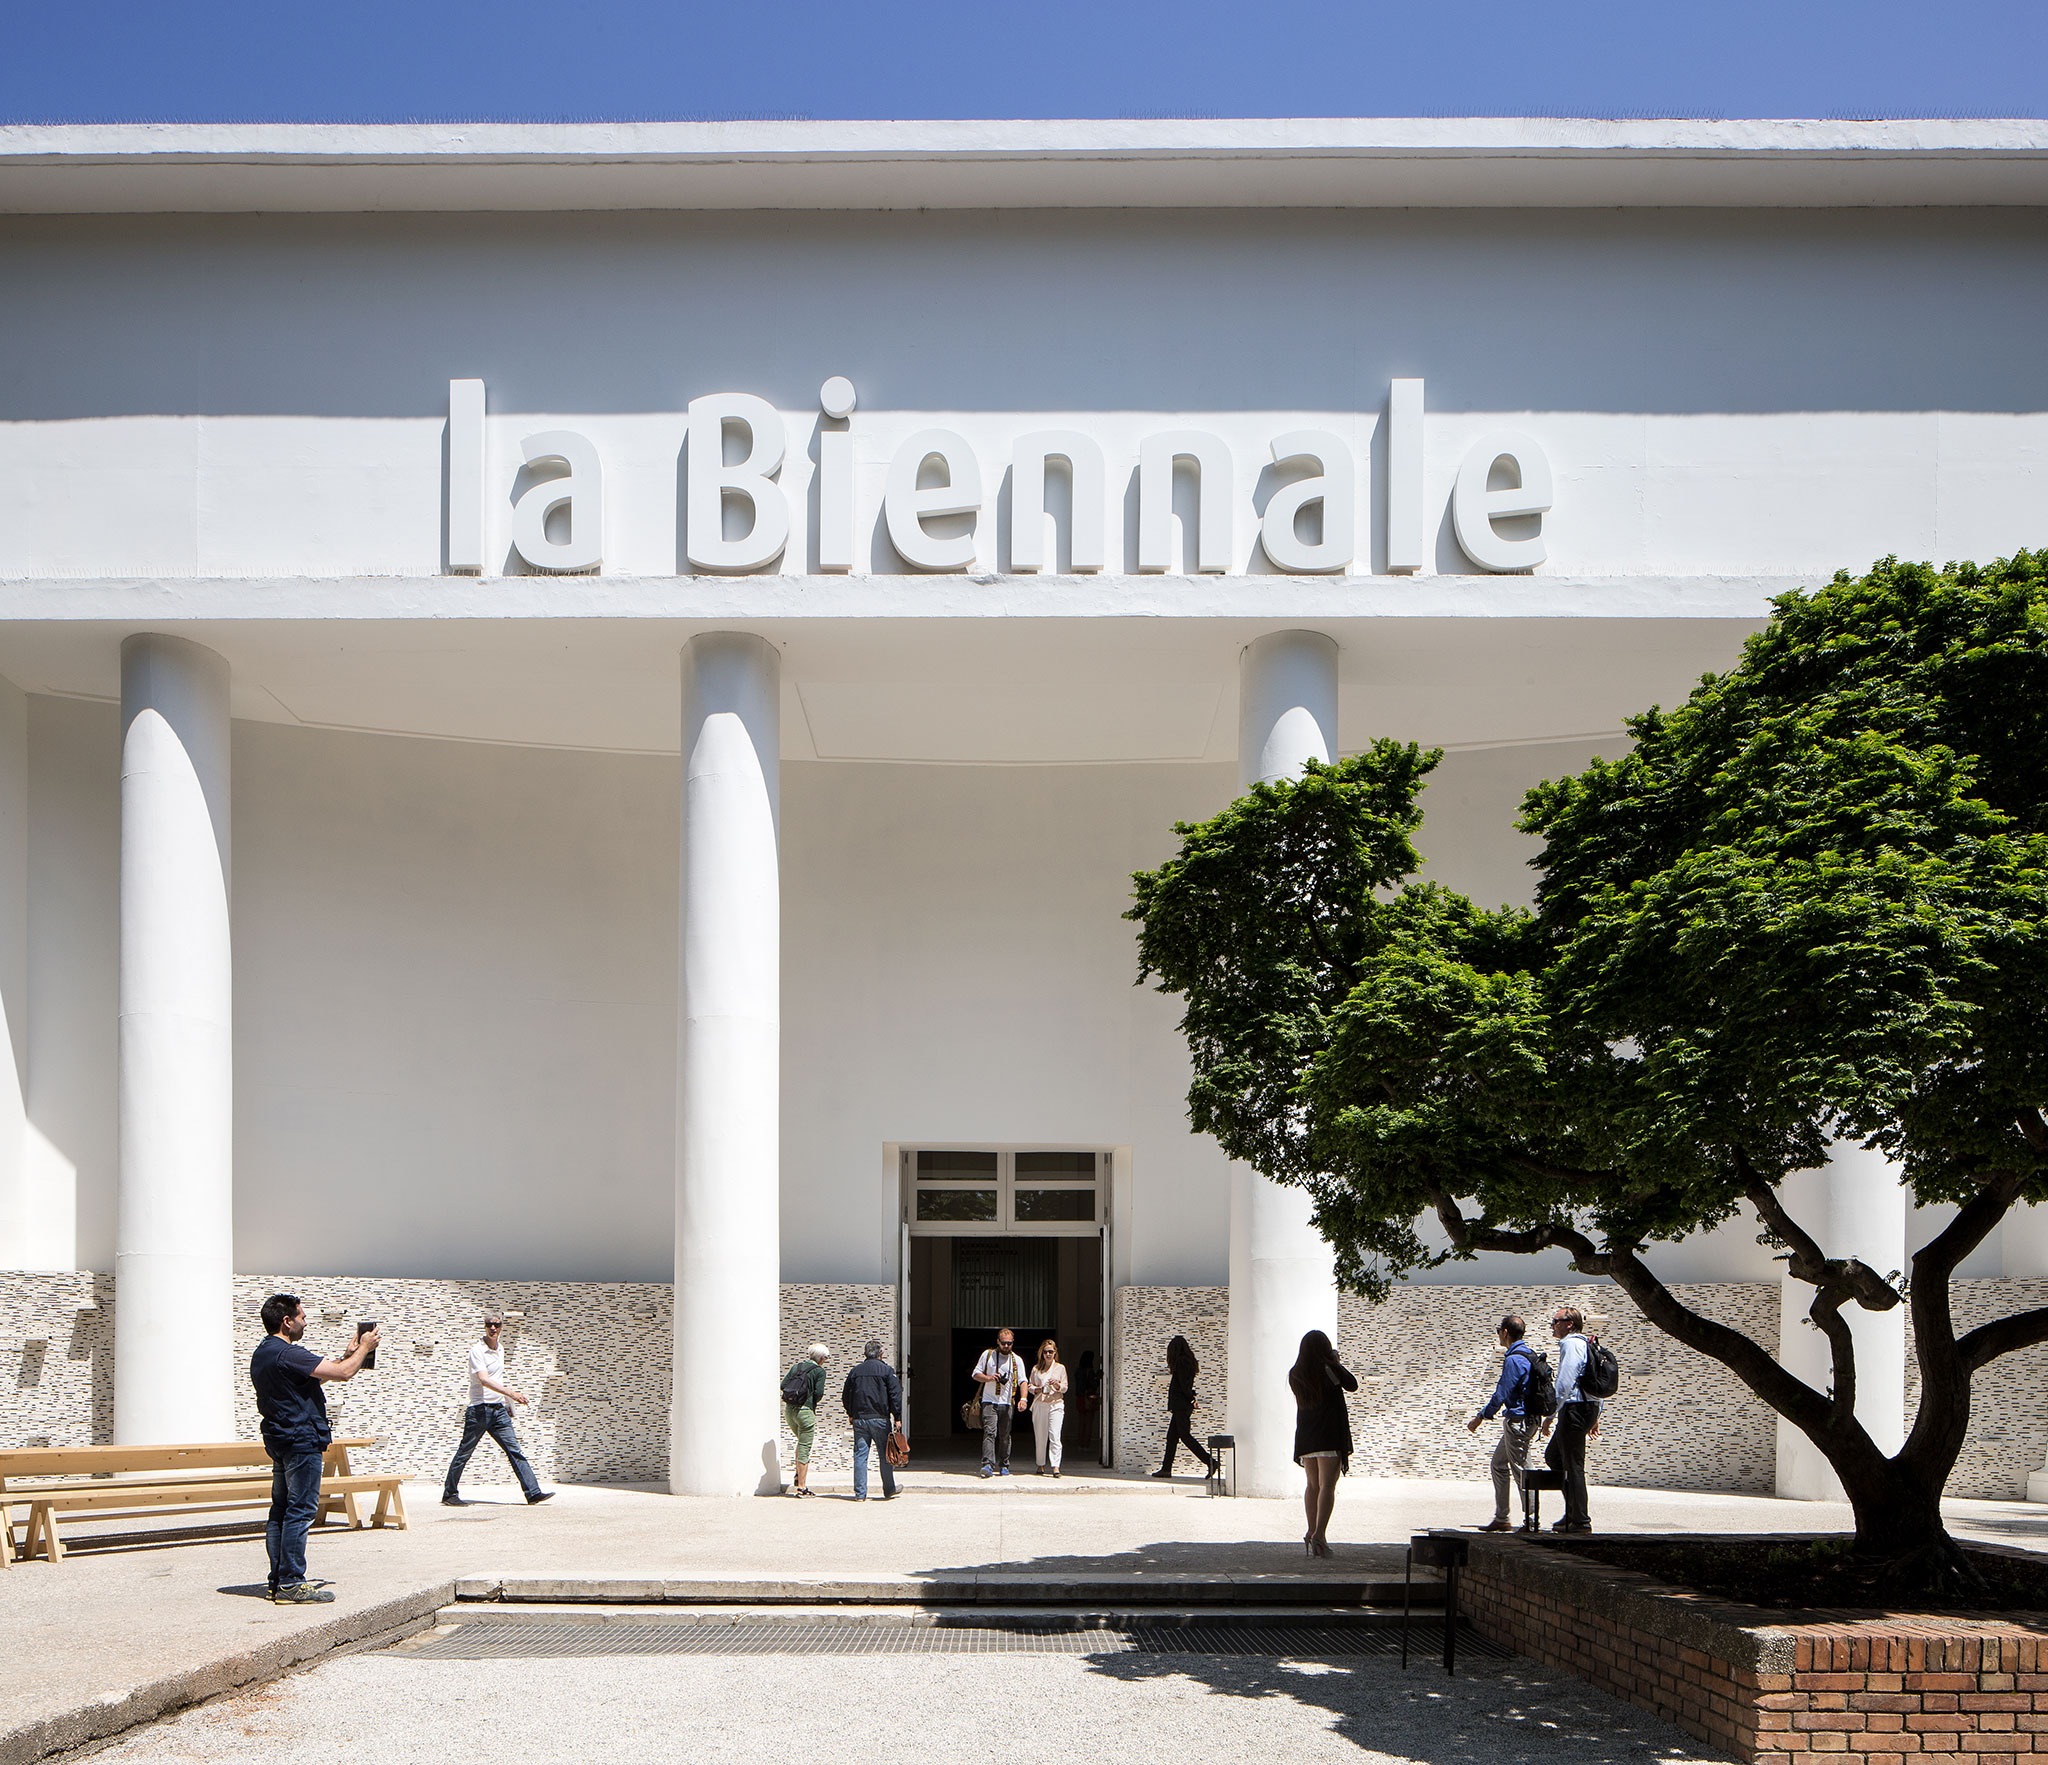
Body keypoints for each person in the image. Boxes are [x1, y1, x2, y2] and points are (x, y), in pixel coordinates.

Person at [249, 1293, 379, 1605]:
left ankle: (278, 1582)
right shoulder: (288, 1352)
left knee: (281, 1510)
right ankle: (292, 1582)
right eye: (302, 1318)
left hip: (280, 1439)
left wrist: (347, 1353)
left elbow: (313, 1379)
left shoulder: (263, 1353)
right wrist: (364, 1349)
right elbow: (344, 1374)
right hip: (301, 1440)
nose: (304, 1323)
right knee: (301, 1509)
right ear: (287, 1321)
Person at [442, 1310, 553, 1507]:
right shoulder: (477, 1350)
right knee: (465, 1452)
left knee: (514, 1450)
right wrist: (512, 1394)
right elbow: (484, 1379)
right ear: (485, 1327)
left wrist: (506, 1402)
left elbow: (496, 1380)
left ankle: (532, 1492)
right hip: (479, 1410)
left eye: (497, 1324)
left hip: (498, 1410)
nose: (493, 1328)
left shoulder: (500, 1349)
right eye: (489, 1324)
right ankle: (449, 1494)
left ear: (501, 1327)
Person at [1466, 1314, 1537, 1532]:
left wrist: (1480, 1417)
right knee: (1498, 1464)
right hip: (1527, 1419)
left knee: (1522, 1470)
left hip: (1517, 1421)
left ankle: (1532, 1521)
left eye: (1499, 1330)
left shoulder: (1514, 1359)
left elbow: (1502, 1393)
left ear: (1505, 1332)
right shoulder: (1529, 1354)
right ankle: (1502, 1517)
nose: (1498, 1334)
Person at [1289, 1329, 1357, 1558]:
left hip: (1307, 1436)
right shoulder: (1328, 1369)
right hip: (1328, 1433)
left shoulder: (1295, 1373)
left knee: (1312, 1485)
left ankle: (1311, 1531)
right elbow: (1351, 1384)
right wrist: (1335, 1362)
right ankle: (1320, 1535)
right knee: (1327, 1486)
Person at [1541, 1305, 1600, 1533]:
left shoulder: (1570, 1344)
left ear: (1570, 1323)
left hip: (1575, 1409)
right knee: (1555, 1457)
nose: (1552, 1326)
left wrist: (1550, 1414)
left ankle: (1580, 1521)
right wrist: (1596, 1413)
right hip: (1585, 1408)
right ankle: (1573, 1512)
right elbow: (1591, 1380)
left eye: (1556, 1321)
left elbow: (1565, 1382)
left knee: (1573, 1465)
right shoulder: (1586, 1343)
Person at [842, 1337, 903, 1501]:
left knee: (860, 1456)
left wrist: (851, 1413)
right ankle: (889, 1489)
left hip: (860, 1419)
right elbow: (895, 1395)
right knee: (885, 1455)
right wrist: (897, 1416)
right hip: (880, 1419)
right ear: (880, 1354)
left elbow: (846, 1394)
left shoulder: (855, 1371)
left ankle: (860, 1494)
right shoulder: (886, 1371)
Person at [1150, 1334, 1217, 1480]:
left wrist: (1191, 1399)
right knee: (1172, 1438)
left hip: (1181, 1405)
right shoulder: (1187, 1362)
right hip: (1182, 1405)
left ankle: (1210, 1462)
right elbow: (1186, 1384)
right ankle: (1166, 1469)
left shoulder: (1181, 1363)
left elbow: (1183, 1385)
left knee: (1185, 1436)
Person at [972, 1327, 1027, 1478]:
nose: (1006, 1346)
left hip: (1007, 1402)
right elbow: (975, 1374)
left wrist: (1023, 1398)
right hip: (990, 1400)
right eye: (1004, 1343)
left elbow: (1023, 1381)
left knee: (1005, 1435)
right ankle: (987, 1464)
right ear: (998, 1341)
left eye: (1009, 1343)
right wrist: (989, 1378)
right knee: (990, 1432)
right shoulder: (988, 1355)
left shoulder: (1017, 1360)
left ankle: (1004, 1464)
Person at [782, 1342, 830, 1496]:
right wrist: (810, 1402)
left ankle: (798, 1474)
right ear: (821, 1358)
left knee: (801, 1441)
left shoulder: (796, 1367)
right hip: (805, 1412)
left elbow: (783, 1385)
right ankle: (801, 1486)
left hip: (789, 1411)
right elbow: (819, 1393)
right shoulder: (819, 1371)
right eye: (825, 1358)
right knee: (804, 1446)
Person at [1027, 1337, 1068, 1476]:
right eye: (1045, 1352)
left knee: (1055, 1435)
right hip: (1040, 1404)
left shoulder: (1060, 1368)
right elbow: (1029, 1386)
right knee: (1040, 1436)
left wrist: (1056, 1384)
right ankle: (1040, 1464)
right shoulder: (1036, 1369)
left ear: (1055, 1352)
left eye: (1051, 1351)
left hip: (1055, 1404)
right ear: (1041, 1353)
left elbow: (1065, 1387)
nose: (1048, 1354)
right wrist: (1037, 1389)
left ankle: (1056, 1466)